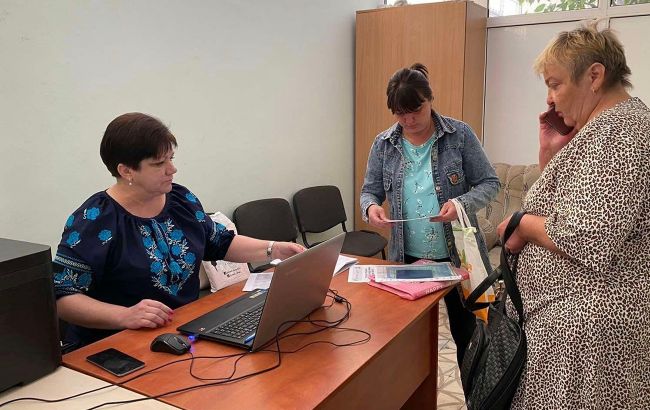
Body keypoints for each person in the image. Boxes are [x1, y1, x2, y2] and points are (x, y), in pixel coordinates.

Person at [53, 112, 304, 348]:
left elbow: (219, 241)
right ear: (126, 170)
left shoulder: (180, 200)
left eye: (171, 159)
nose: (172, 169)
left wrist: (273, 249)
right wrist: (125, 316)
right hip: (117, 344)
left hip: (181, 330)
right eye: (159, 163)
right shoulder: (94, 219)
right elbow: (63, 298)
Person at [497, 22, 650, 409]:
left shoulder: (621, 132)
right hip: (569, 329)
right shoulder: (602, 130)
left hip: (586, 338)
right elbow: (567, 206)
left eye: (555, 84)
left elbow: (587, 236)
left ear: (594, 76)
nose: (550, 99)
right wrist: (550, 152)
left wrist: (521, 226)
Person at [360, 63, 500, 366]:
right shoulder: (384, 145)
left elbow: (490, 183)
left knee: (468, 336)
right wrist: (371, 208)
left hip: (456, 257)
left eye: (416, 110)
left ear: (430, 100)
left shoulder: (459, 135)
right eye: (400, 114)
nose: (409, 120)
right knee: (409, 340)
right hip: (406, 259)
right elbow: (369, 191)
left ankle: (471, 387)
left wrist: (460, 204)